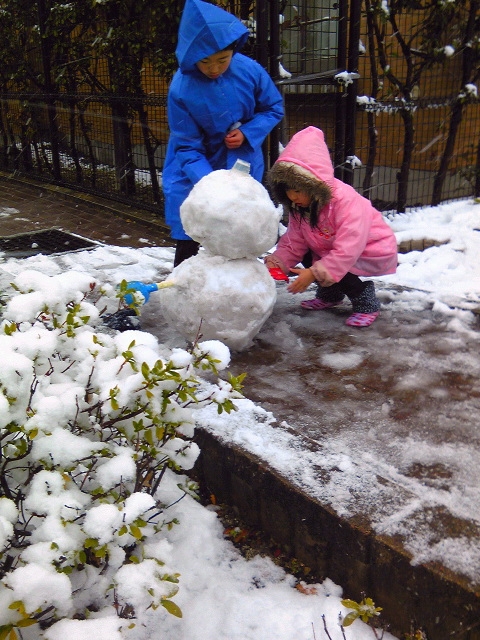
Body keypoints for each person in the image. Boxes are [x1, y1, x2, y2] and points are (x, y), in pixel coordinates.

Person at [162, 0, 284, 267]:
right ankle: (186, 289)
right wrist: (211, 186)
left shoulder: (249, 70)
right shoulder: (181, 88)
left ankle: (240, 291)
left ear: (233, 50)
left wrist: (249, 132)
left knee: (240, 228)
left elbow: (273, 108)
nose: (214, 68)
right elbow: (187, 145)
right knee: (193, 232)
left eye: (222, 60)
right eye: (205, 61)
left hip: (240, 157)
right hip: (194, 166)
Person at [264, 126, 398, 327]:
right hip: (330, 246)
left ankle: (365, 301)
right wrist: (279, 262)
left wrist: (314, 273)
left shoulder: (346, 203)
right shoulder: (301, 206)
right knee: (311, 254)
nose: (292, 196)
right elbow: (295, 241)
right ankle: (331, 293)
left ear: (314, 185)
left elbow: (348, 249)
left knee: (338, 267)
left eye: (298, 190)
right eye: (288, 191)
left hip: (368, 249)